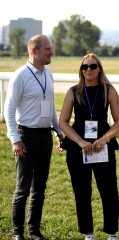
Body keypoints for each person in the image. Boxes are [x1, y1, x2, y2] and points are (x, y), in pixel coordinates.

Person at [4, 34, 63, 240]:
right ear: (34, 51)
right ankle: (17, 233)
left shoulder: (48, 74)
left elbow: (51, 106)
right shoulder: (20, 75)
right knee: (23, 188)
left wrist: (58, 130)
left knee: (40, 187)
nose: (51, 52)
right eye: (47, 49)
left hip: (45, 136)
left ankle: (34, 231)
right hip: (26, 136)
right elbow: (8, 110)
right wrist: (15, 139)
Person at [59, 53, 119, 240]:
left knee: (109, 190)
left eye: (93, 66)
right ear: (81, 69)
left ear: (99, 68)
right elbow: (63, 122)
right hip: (78, 148)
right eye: (84, 66)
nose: (88, 70)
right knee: (82, 191)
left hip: (102, 147)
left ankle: (112, 233)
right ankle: (89, 233)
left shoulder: (108, 90)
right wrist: (80, 141)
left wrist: (105, 139)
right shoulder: (73, 91)